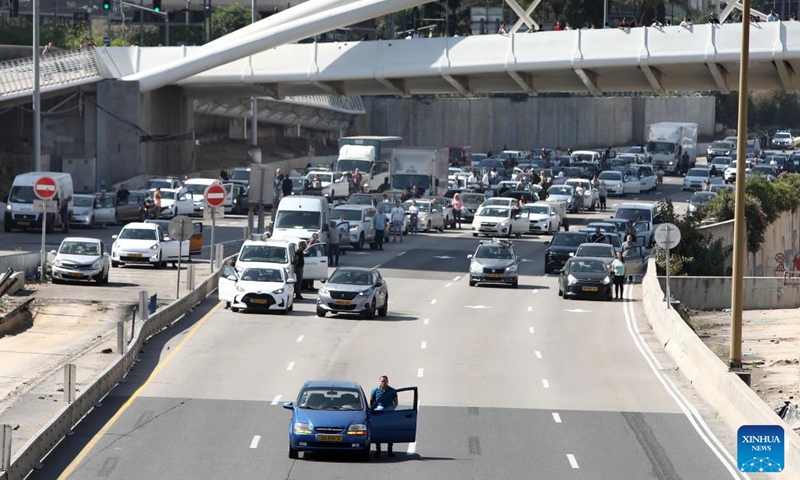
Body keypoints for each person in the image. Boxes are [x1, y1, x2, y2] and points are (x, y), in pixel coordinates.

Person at [370, 375, 399, 457]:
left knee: (390, 432)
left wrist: (390, 409)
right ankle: (378, 450)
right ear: (380, 381)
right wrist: (374, 411)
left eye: (385, 381)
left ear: (387, 382)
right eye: (382, 381)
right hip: (379, 415)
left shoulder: (392, 391)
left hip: (389, 415)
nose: (383, 383)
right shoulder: (375, 390)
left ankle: (390, 450)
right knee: (378, 432)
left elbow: (396, 402)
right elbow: (372, 402)